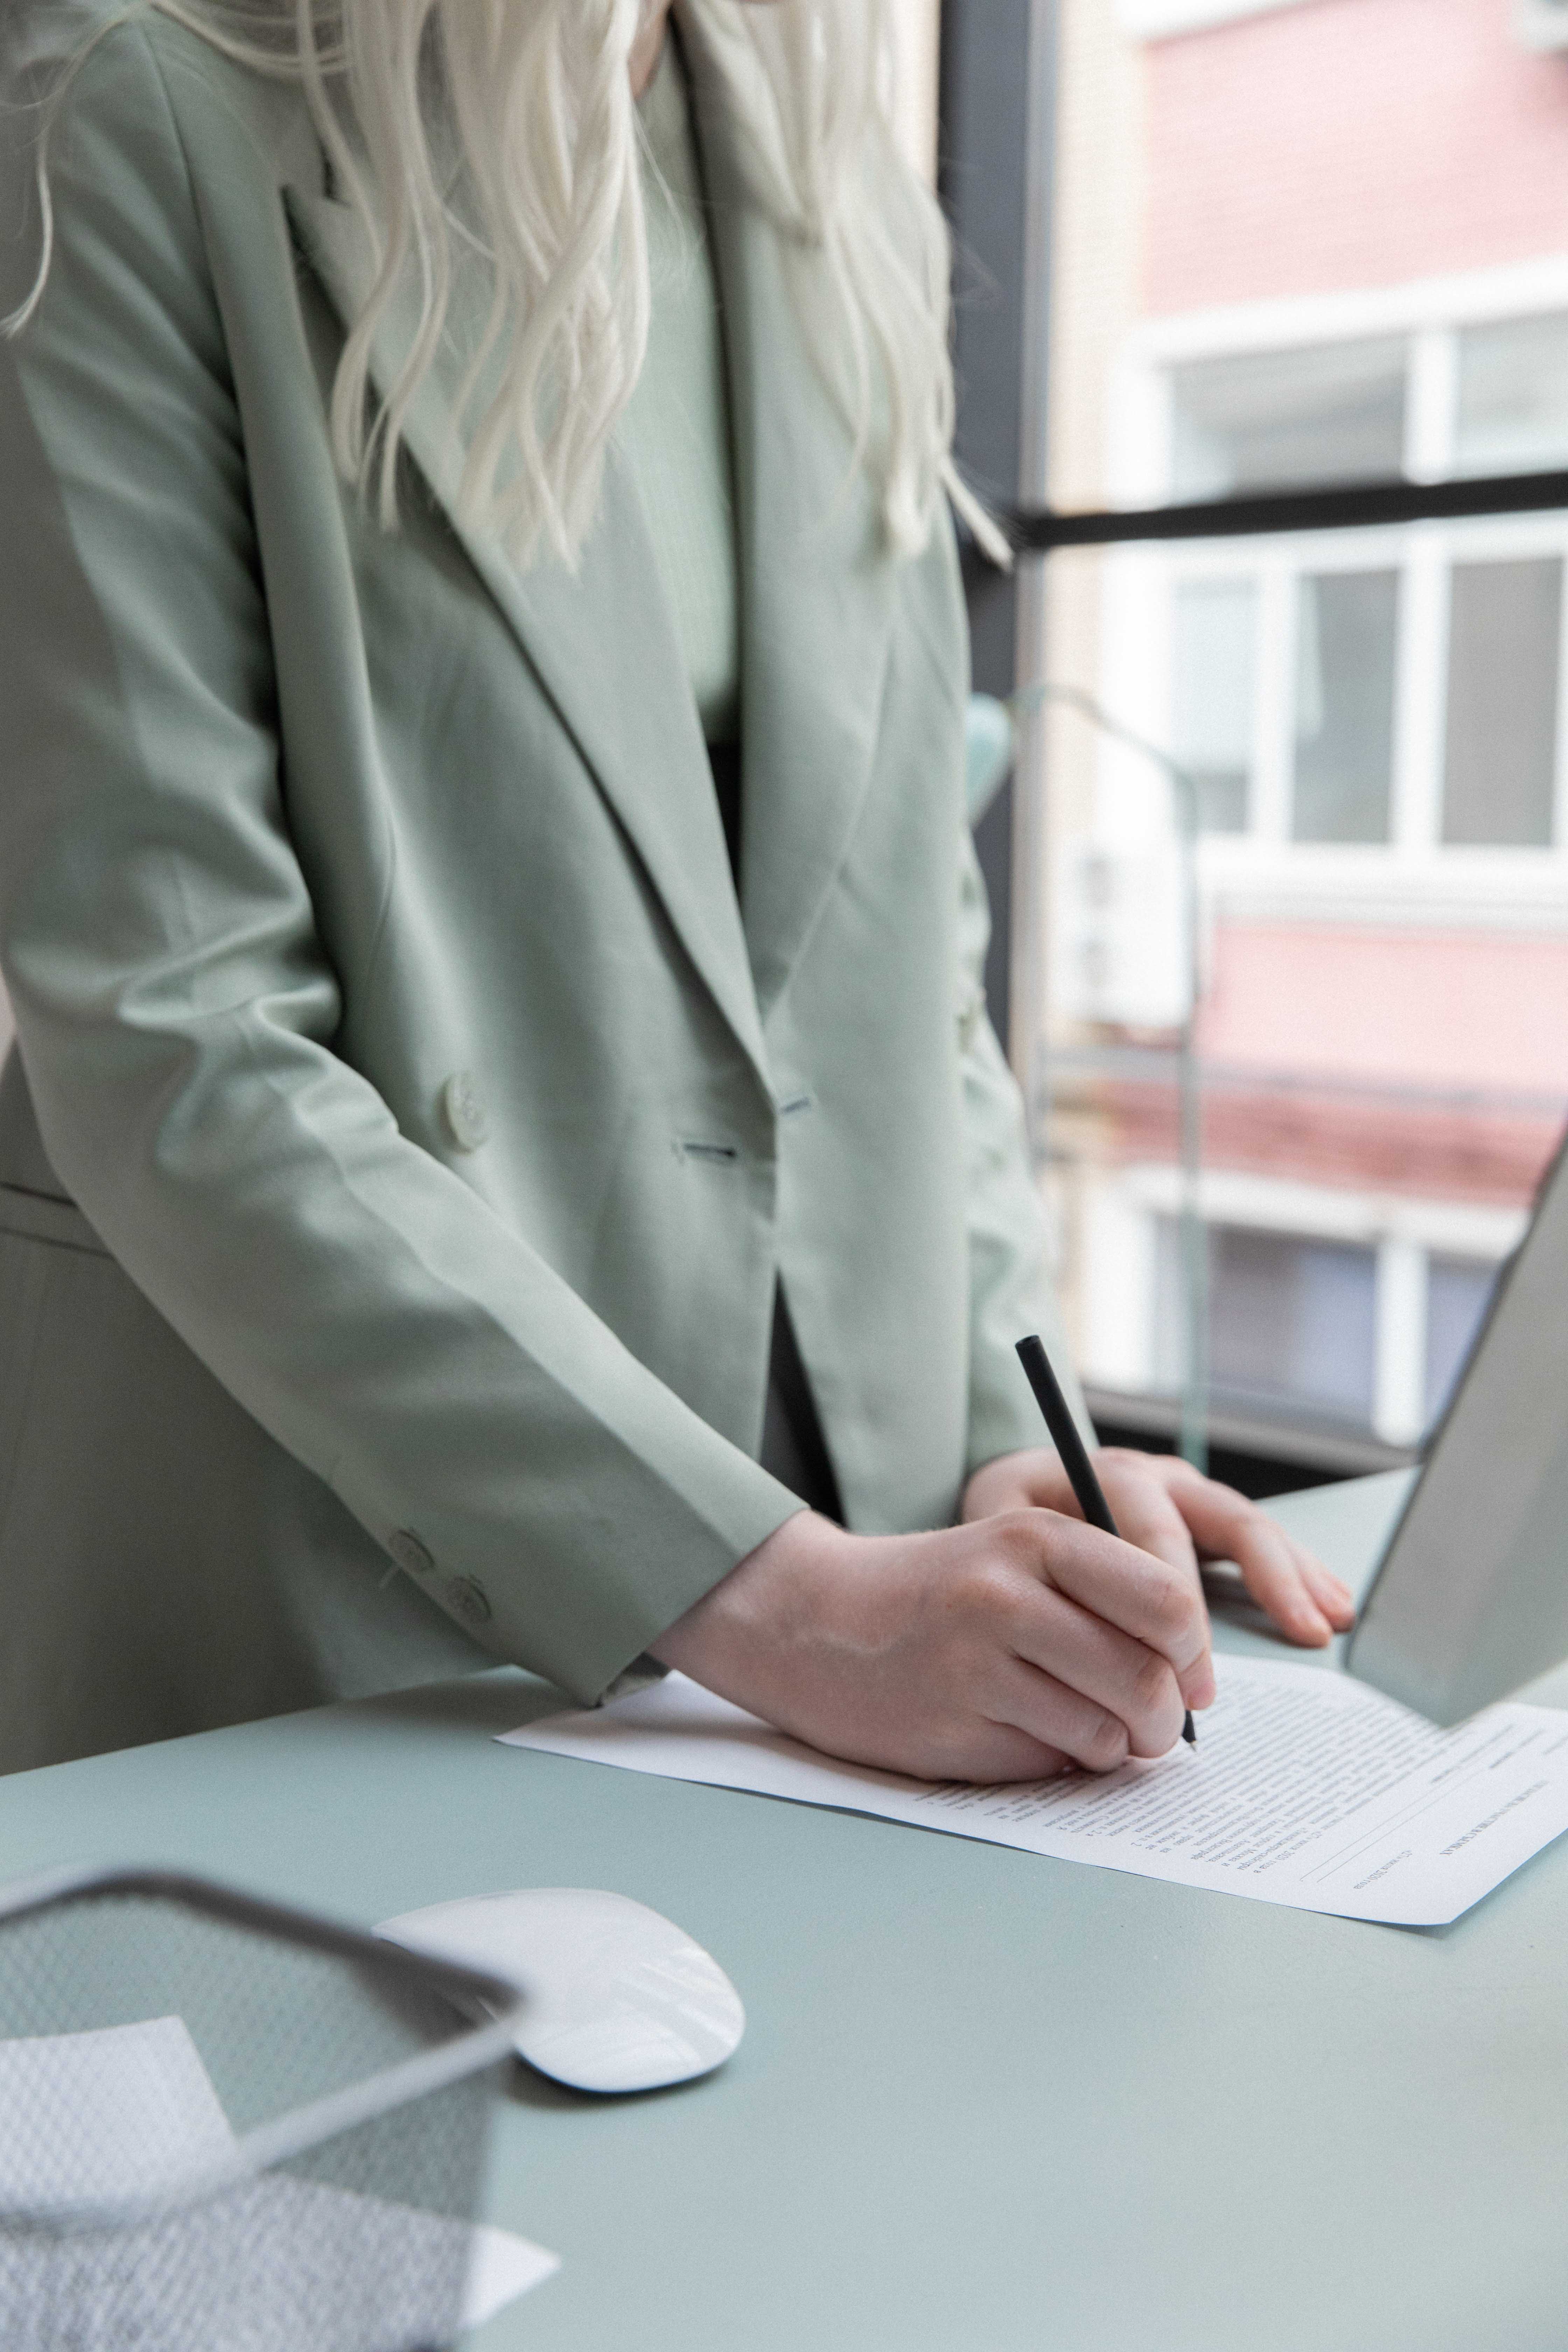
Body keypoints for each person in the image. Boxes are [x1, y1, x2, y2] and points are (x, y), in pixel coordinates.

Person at [0, 0, 1352, 1778]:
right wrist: (789, 1603)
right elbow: (174, 1025)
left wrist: (994, 1445)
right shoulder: (127, 95)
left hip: (816, 1554)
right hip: (332, 1543)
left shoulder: (812, 161)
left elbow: (901, 955)